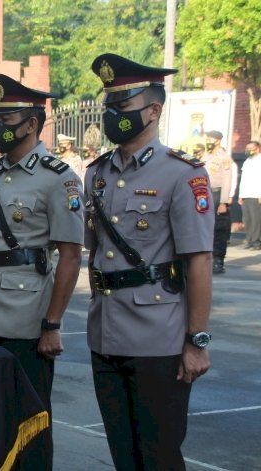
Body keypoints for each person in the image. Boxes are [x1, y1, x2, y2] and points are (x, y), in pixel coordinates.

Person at [85, 53, 214, 470]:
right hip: (105, 332)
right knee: (123, 454)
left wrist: (196, 341)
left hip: (159, 337)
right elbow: (94, 249)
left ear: (153, 110)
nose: (111, 115)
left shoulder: (182, 174)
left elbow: (199, 261)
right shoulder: (97, 173)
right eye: (109, 106)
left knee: (158, 455)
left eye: (121, 107)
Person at [0, 74, 84, 470]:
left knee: (30, 419)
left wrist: (53, 323)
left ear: (32, 123)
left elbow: (70, 255)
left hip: (27, 316)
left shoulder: (59, 178)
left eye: (8, 117)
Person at [201, 130, 236, 273]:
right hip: (204, 194)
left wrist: (223, 202)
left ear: (218, 140)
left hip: (217, 195)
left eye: (210, 138)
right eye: (207, 138)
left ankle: (218, 261)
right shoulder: (206, 155)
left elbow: (227, 181)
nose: (208, 141)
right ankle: (205, 259)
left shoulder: (224, 158)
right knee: (204, 227)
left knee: (219, 229)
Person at [239, 140, 261, 250]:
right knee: (247, 219)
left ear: (257, 149)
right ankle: (249, 239)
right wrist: (240, 195)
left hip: (256, 194)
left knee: (256, 220)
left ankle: (256, 242)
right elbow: (243, 179)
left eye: (250, 148)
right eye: (246, 148)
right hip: (246, 194)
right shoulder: (247, 161)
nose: (247, 150)